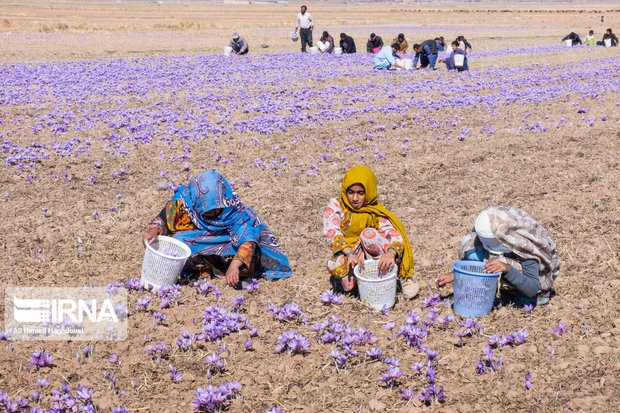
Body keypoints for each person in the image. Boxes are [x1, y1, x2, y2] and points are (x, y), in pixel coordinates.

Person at [143, 171, 292, 287]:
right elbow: (163, 220)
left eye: (217, 209)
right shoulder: (185, 202)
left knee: (251, 253)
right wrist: (153, 230)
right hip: (202, 239)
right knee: (178, 242)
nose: (212, 214)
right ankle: (205, 269)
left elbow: (248, 239)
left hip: (226, 240)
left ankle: (225, 269)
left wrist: (235, 265)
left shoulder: (233, 210)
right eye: (207, 211)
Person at [323, 166, 419, 299]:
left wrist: (390, 254)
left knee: (368, 234)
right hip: (350, 253)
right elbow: (332, 232)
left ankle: (398, 275)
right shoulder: (337, 205)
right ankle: (357, 282)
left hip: (371, 253)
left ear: (368, 191)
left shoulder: (374, 209)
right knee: (340, 267)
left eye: (361, 193)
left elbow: (392, 233)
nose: (355, 198)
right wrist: (350, 253)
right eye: (351, 192)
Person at [437, 206, 560, 307]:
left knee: (501, 264)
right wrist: (456, 274)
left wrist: (507, 269)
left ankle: (533, 296)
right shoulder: (487, 233)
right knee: (471, 246)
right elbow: (475, 259)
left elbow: (532, 287)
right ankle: (502, 292)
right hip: (506, 273)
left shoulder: (526, 248)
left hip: (531, 287)